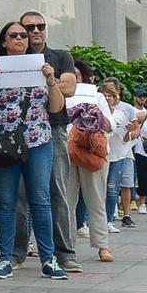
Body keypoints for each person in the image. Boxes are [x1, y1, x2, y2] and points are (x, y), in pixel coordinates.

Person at [0, 22, 68, 282]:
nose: (20, 39)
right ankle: (6, 258)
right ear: (4, 41)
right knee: (7, 200)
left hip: (37, 139)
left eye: (23, 35)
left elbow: (56, 108)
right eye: (14, 35)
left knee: (41, 198)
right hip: (3, 141)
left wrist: (51, 81)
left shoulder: (41, 66)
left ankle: (49, 258)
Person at [18, 10, 79, 269]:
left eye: (39, 26)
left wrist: (46, 80)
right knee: (17, 193)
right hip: (18, 130)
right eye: (28, 28)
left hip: (53, 128)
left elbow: (69, 88)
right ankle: (15, 253)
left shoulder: (60, 56)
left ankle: (64, 253)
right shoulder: (12, 58)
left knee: (57, 190)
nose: (34, 31)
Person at [58, 72, 114, 264]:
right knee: (66, 202)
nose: (74, 78)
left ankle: (102, 245)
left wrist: (95, 115)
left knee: (97, 200)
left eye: (77, 74)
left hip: (91, 152)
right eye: (69, 74)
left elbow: (109, 125)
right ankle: (67, 247)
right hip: (65, 152)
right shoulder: (57, 94)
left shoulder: (96, 96)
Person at [102, 80, 138, 230]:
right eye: (105, 95)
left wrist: (128, 133)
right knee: (99, 187)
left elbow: (136, 129)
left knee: (113, 186)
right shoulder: (99, 108)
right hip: (102, 151)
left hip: (120, 152)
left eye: (111, 94)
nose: (108, 98)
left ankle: (110, 219)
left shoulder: (126, 109)